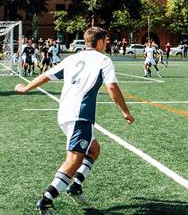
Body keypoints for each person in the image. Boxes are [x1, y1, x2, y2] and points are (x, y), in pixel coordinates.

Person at [15, 27, 135, 214]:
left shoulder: (71, 58)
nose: (107, 44)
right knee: (73, 159)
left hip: (64, 113)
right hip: (80, 115)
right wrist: (125, 111)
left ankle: (76, 185)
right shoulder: (103, 60)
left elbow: (46, 76)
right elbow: (111, 87)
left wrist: (26, 88)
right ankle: (46, 199)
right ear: (101, 42)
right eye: (106, 41)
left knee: (94, 149)